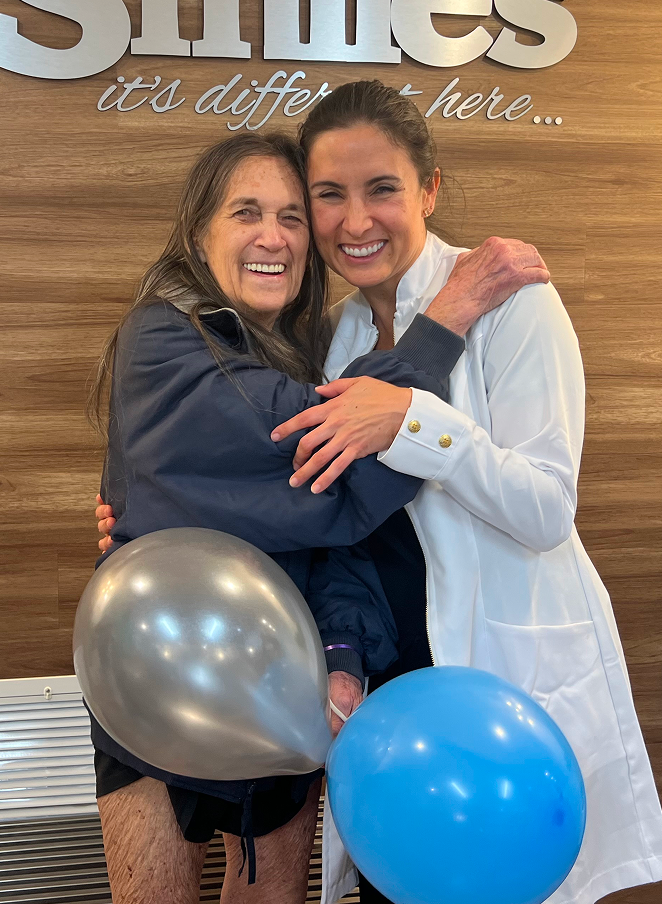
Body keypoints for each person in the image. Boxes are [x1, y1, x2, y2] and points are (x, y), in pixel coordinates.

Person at [89, 129, 539, 904]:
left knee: (269, 895)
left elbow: (332, 536)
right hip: (157, 677)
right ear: (201, 233)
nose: (274, 237)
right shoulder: (160, 336)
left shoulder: (311, 352)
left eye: (294, 216)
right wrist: (448, 316)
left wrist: (341, 651)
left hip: (280, 680)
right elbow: (332, 447)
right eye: (247, 213)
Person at [260, 81, 662, 904]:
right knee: (396, 881)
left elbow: (546, 508)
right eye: (329, 195)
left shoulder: (512, 299)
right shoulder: (331, 335)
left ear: (430, 188)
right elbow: (313, 494)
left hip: (497, 673)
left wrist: (414, 419)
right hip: (389, 678)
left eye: (383, 190)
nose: (355, 221)